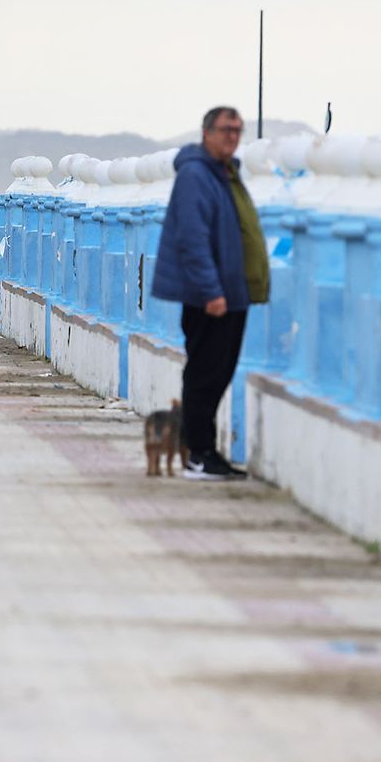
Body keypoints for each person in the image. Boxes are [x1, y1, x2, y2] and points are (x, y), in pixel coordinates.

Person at [150, 106, 270, 481]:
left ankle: (203, 452)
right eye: (225, 129)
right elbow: (193, 239)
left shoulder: (223, 172)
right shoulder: (196, 174)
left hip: (231, 292)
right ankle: (199, 455)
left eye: (237, 130)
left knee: (218, 373)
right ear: (206, 133)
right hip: (212, 296)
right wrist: (211, 292)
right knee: (206, 374)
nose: (232, 136)